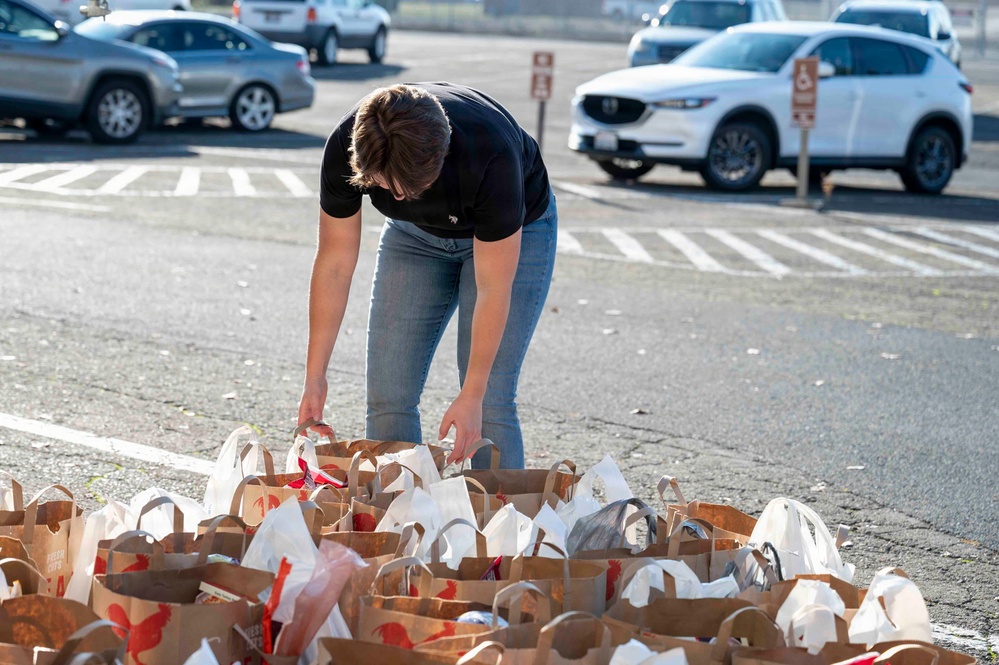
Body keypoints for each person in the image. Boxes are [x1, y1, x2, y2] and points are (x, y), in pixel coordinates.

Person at [297, 82, 557, 469]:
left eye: (406, 188)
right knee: (388, 393)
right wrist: (315, 376)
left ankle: (501, 525)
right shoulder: (348, 144)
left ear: (441, 156)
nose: (396, 198)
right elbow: (335, 263)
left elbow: (493, 288)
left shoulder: (491, 154)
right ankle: (401, 522)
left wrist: (470, 395)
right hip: (413, 237)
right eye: (383, 187)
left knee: (490, 400)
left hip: (516, 232)